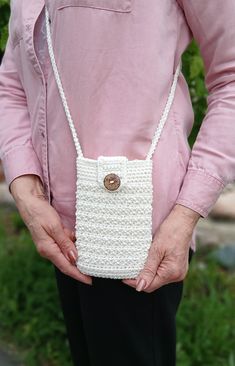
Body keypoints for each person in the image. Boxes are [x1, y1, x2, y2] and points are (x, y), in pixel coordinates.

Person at [0, 1, 235, 365]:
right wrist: (24, 187)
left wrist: (187, 213)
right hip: (59, 231)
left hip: (145, 239)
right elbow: (12, 81)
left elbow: (231, 78)